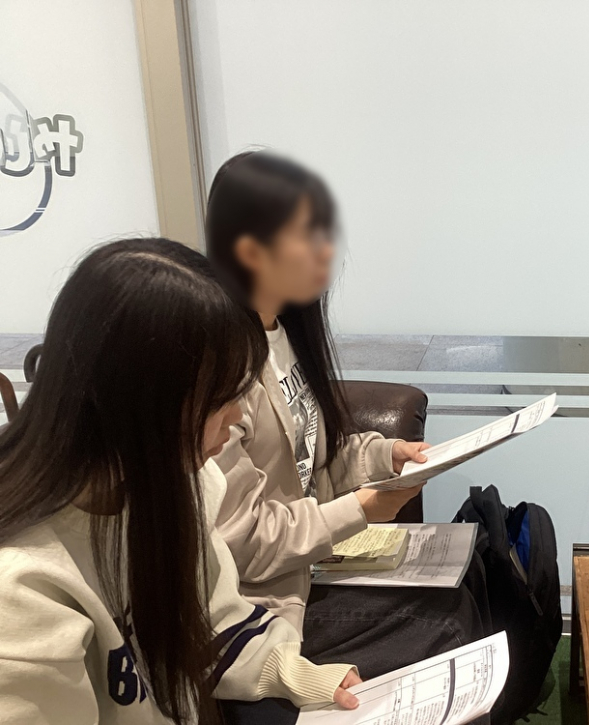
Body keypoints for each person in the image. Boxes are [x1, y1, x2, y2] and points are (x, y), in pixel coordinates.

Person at [0, 239, 362, 724]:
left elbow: (214, 622)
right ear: (140, 403)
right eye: (220, 399)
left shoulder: (181, 483)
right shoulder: (23, 591)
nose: (235, 418)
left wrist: (301, 677)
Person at [206, 151, 491, 678]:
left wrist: (388, 455)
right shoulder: (220, 373)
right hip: (264, 604)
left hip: (310, 565)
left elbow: (316, 457)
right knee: (448, 620)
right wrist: (361, 509)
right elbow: (243, 544)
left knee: (468, 565)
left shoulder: (285, 335)